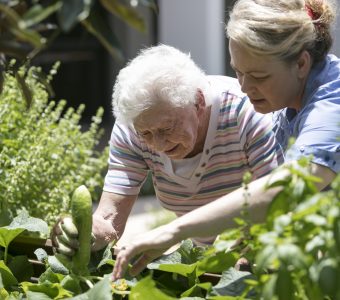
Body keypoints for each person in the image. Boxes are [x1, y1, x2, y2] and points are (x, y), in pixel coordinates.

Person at [111, 0, 340, 280]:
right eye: (238, 71)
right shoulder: (288, 96)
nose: (243, 87)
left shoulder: (331, 107)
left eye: (257, 76)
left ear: (301, 63)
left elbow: (287, 188)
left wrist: (172, 231)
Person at [51, 45, 283, 256]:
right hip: (203, 258)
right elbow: (110, 219)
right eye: (147, 134)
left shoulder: (248, 114)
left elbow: (274, 205)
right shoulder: (132, 125)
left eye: (167, 128)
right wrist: (86, 231)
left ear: (198, 102)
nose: (159, 145)